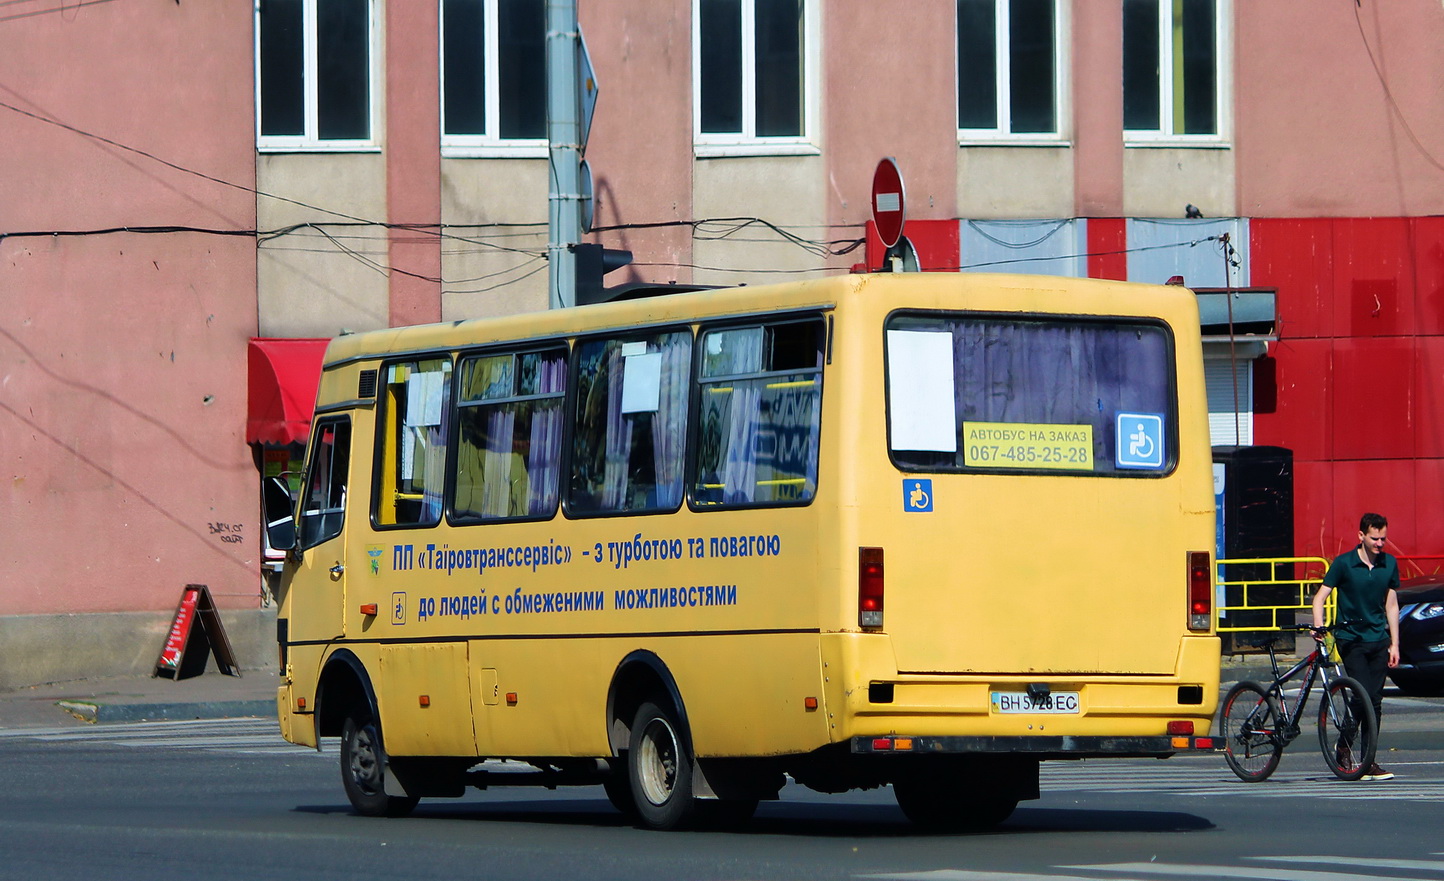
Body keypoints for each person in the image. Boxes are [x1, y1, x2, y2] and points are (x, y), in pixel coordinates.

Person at [1311, 512, 1400, 781]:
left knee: (1375, 700)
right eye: (1375, 538)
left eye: (1383, 538)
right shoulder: (1344, 564)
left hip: (1378, 639)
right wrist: (1319, 625)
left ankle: (1368, 761)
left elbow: (1392, 604)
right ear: (1361, 536)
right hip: (1351, 639)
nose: (1380, 544)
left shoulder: (1389, 564)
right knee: (1361, 696)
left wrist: (1395, 643)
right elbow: (1319, 598)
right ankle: (1344, 748)